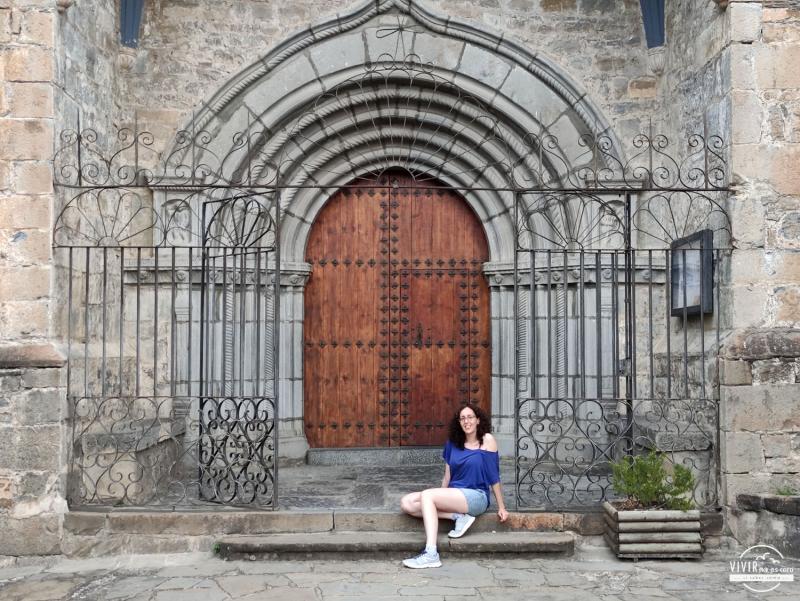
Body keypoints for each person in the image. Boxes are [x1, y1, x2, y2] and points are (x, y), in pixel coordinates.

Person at [399, 403, 509, 568]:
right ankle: (457, 516)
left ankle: (431, 554)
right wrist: (440, 497)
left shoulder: (487, 440)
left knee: (427, 495)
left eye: (470, 417)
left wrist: (502, 507)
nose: (466, 421)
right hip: (455, 495)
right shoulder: (452, 443)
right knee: (407, 502)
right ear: (459, 422)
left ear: (478, 420)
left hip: (476, 496)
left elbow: (494, 475)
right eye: (462, 418)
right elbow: (447, 476)